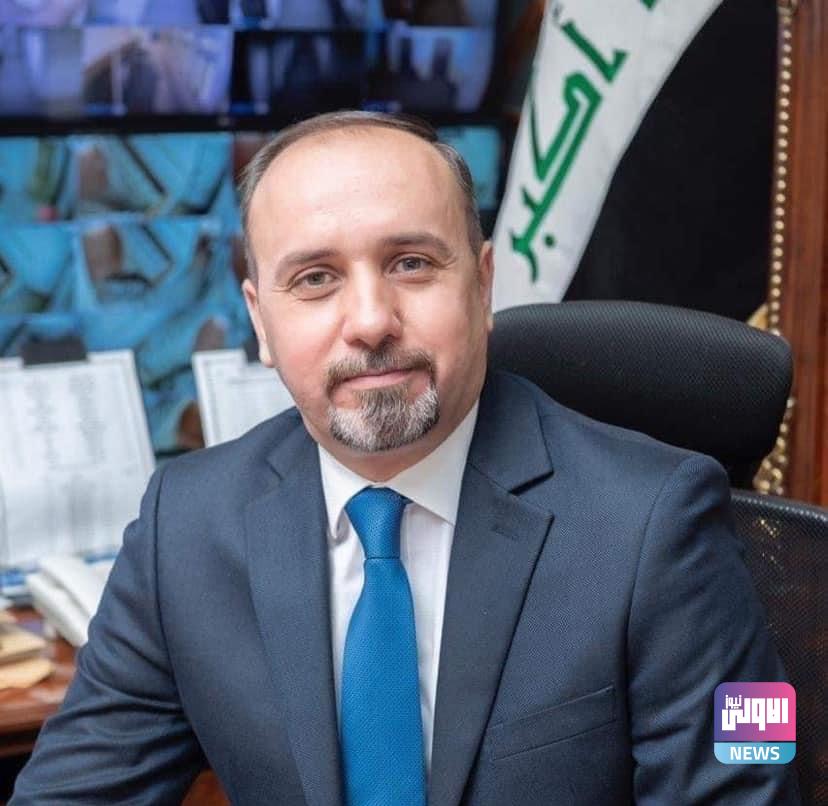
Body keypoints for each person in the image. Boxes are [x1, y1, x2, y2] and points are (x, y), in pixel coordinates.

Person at [11, 111, 799, 804]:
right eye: (315, 278)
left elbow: (748, 785)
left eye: (411, 263)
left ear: (482, 287)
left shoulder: (660, 520)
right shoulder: (184, 527)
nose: (370, 320)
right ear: (259, 320)